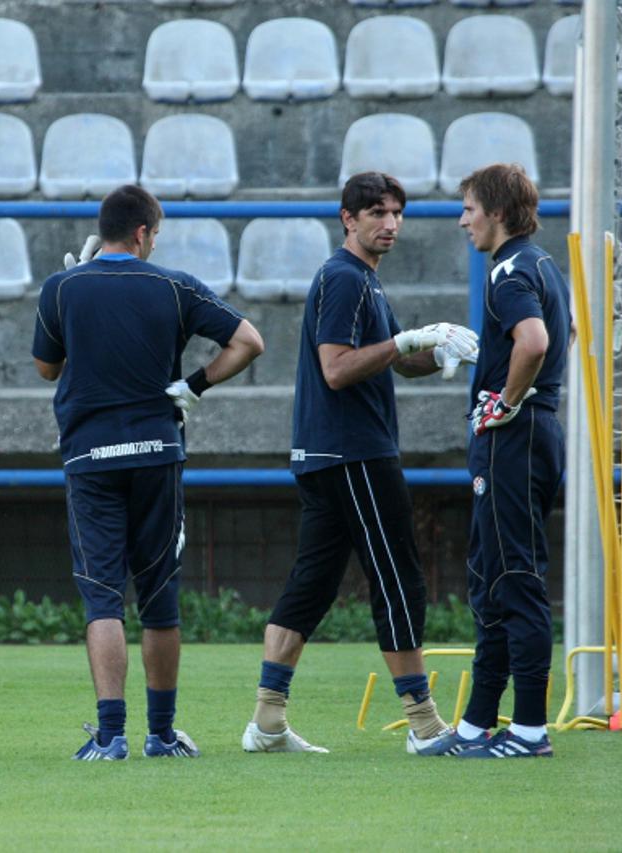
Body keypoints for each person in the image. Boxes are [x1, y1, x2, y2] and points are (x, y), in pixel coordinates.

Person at [242, 171, 480, 756]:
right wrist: (406, 342)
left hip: (330, 453)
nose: (390, 223)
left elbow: (392, 363)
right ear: (349, 219)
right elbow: (338, 368)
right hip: (354, 453)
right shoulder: (346, 278)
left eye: (397, 213)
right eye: (376, 212)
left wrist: (437, 351)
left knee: (312, 586)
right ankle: (424, 726)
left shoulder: (362, 281)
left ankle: (266, 722)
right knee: (398, 578)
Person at [33, 184, 264, 760]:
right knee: (159, 596)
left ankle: (110, 736)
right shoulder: (173, 285)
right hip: (158, 453)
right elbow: (248, 341)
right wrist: (194, 385)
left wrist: (73, 301)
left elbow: (46, 366)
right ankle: (161, 735)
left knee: (103, 597)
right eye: (154, 235)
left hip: (90, 458)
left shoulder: (62, 287)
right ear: (142, 233)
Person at [442, 163, 573, 758]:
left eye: (470, 207)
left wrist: (507, 399)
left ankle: (528, 729)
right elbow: (560, 334)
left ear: (495, 211)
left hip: (515, 440)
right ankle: (475, 725)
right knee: (493, 577)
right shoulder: (544, 265)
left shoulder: (509, 271)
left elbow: (537, 341)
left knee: (515, 579)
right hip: (536, 434)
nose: (463, 218)